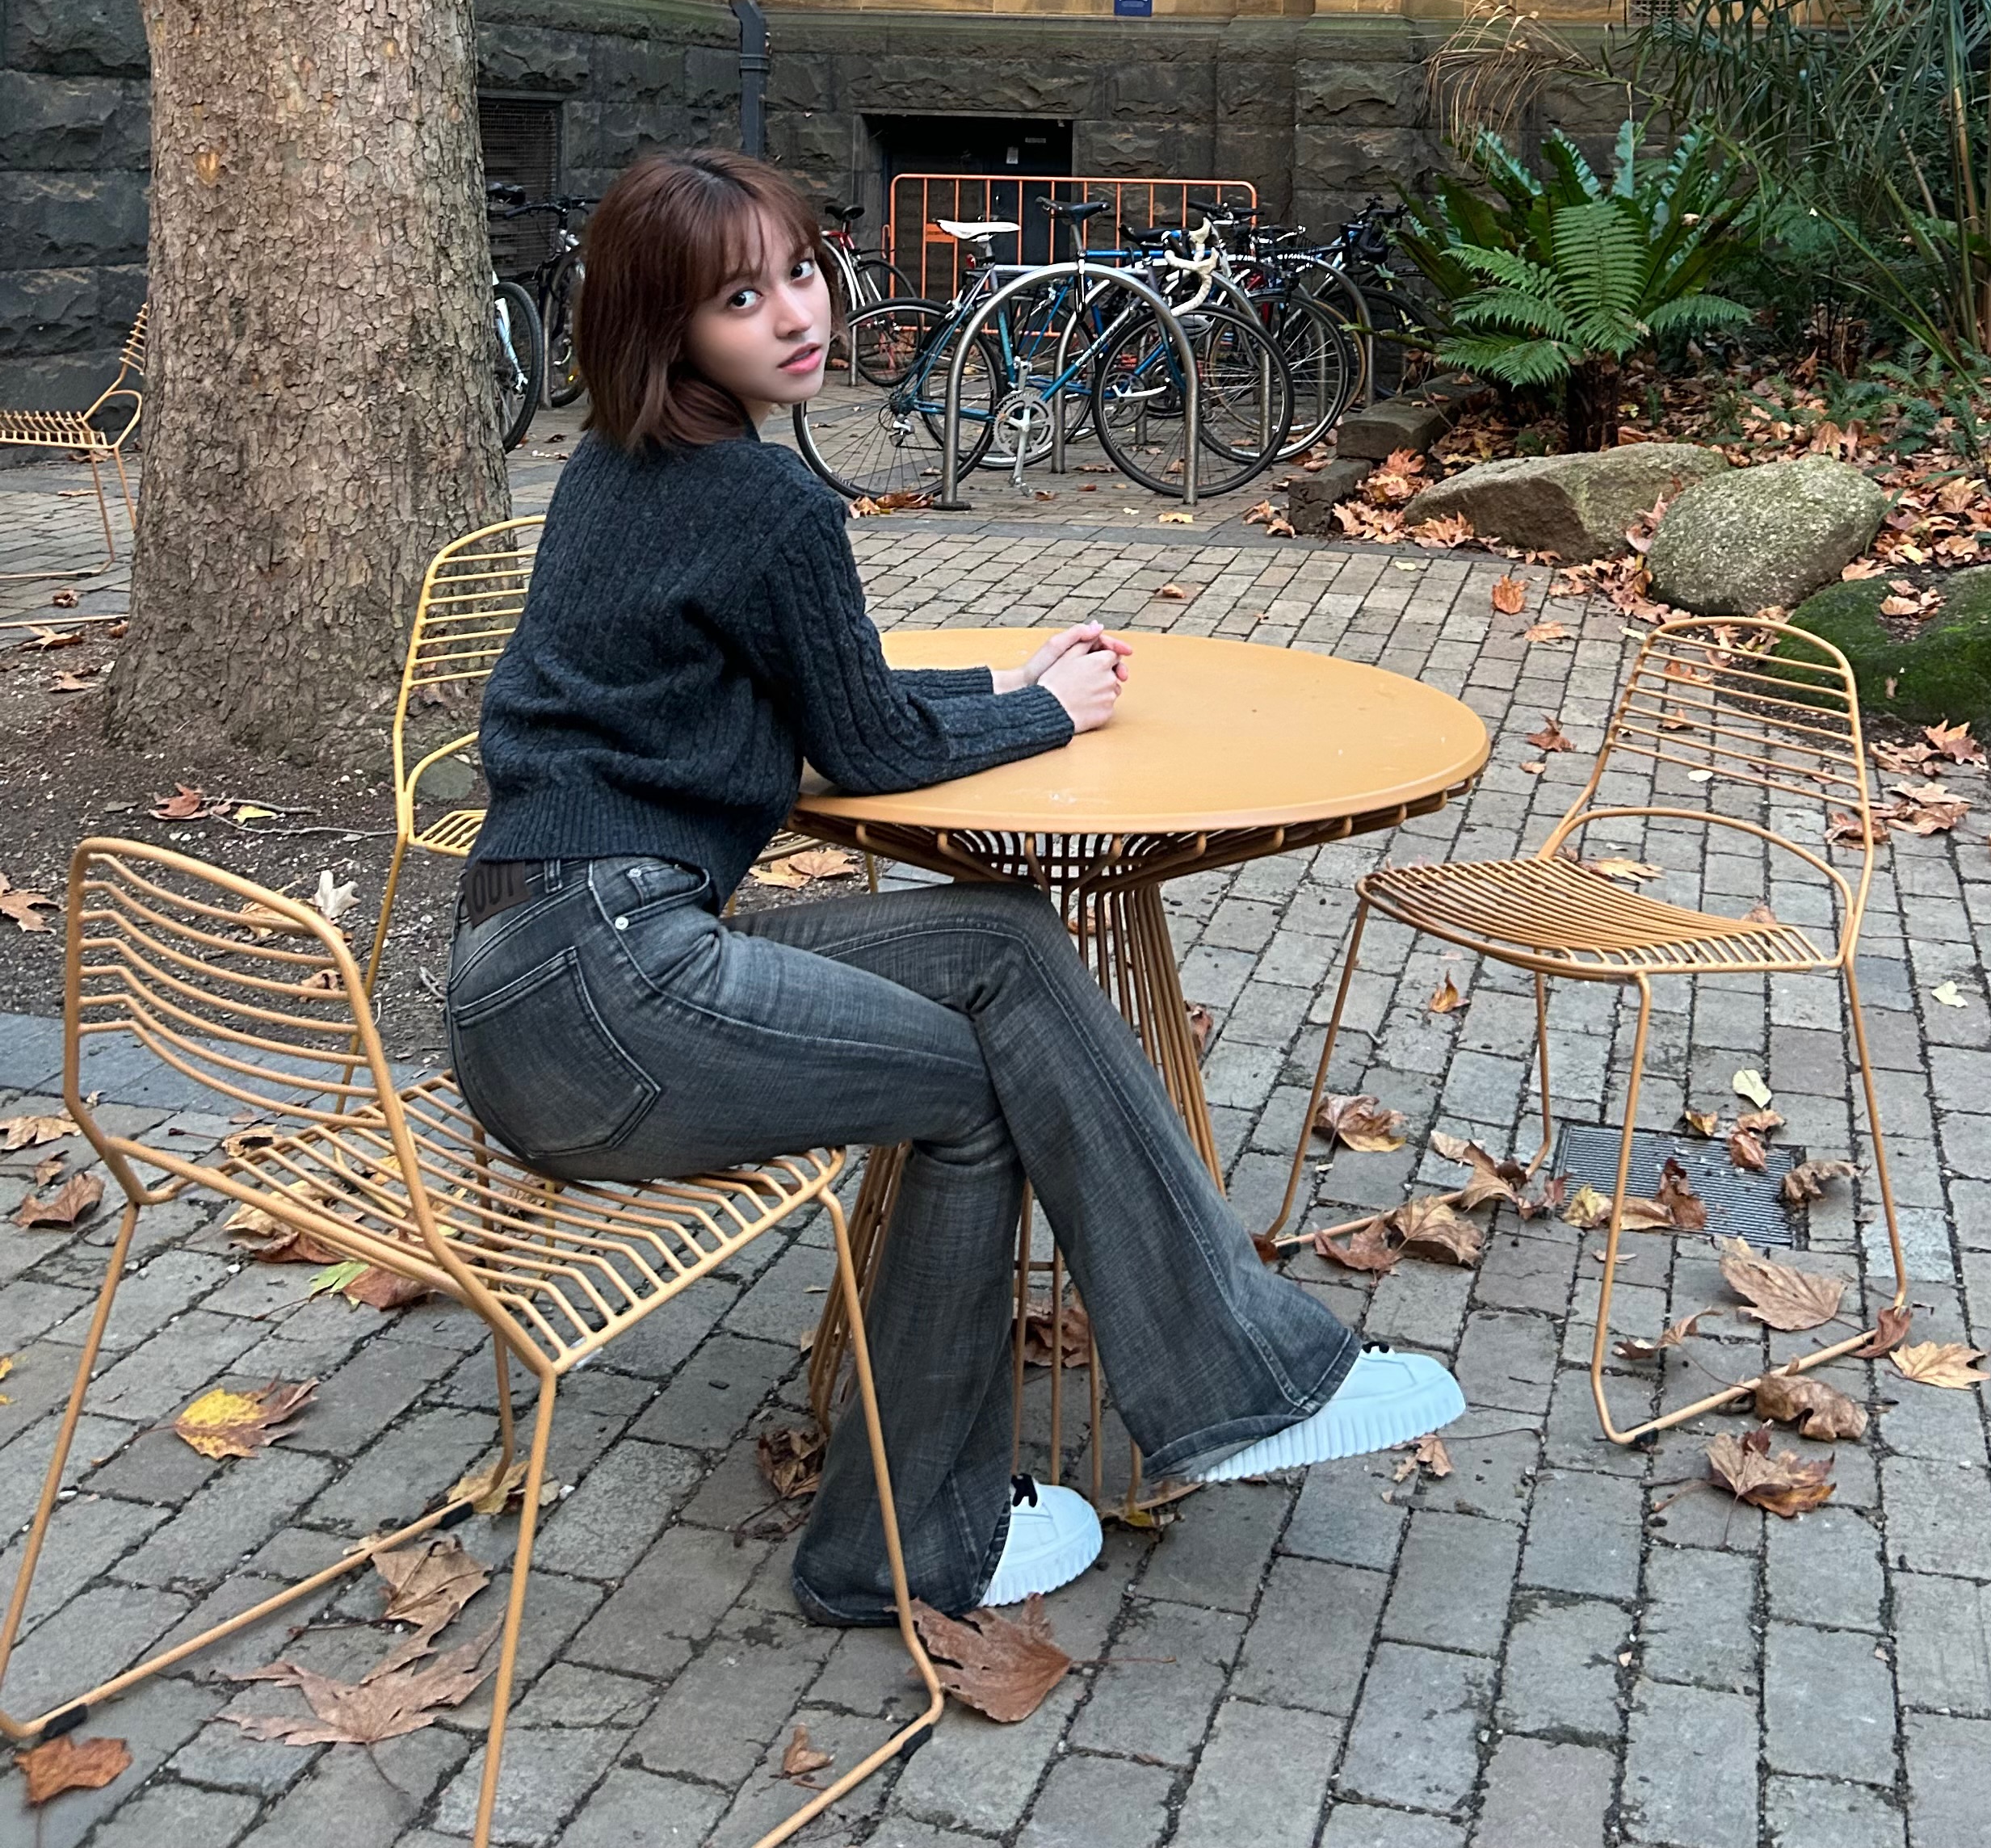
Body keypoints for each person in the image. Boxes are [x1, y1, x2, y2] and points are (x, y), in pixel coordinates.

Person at [444, 148, 1463, 1627]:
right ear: (665, 327)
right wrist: (1049, 714)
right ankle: (923, 1535)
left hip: (540, 976)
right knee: (979, 1094)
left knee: (1000, 940)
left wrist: (1001, 684)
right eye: (740, 297)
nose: (796, 313)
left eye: (800, 270)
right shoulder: (765, 502)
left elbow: (814, 700)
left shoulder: (617, 470)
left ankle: (1217, 1384)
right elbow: (861, 746)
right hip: (610, 996)